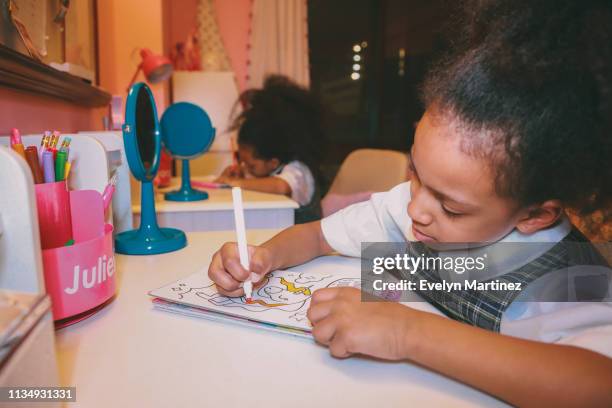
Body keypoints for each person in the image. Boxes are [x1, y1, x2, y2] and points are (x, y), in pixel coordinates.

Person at [208, 0, 612, 405]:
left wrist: (407, 332)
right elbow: (316, 236)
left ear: (535, 215)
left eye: (451, 207)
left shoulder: (566, 277)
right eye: (415, 173)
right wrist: (263, 256)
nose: (416, 208)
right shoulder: (411, 207)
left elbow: (597, 387)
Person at [215, 75, 325, 223]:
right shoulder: (270, 167)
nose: (246, 168)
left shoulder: (298, 170)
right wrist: (241, 175)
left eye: (251, 165)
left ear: (273, 162)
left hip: (310, 242)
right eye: (243, 162)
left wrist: (236, 183)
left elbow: (280, 186)